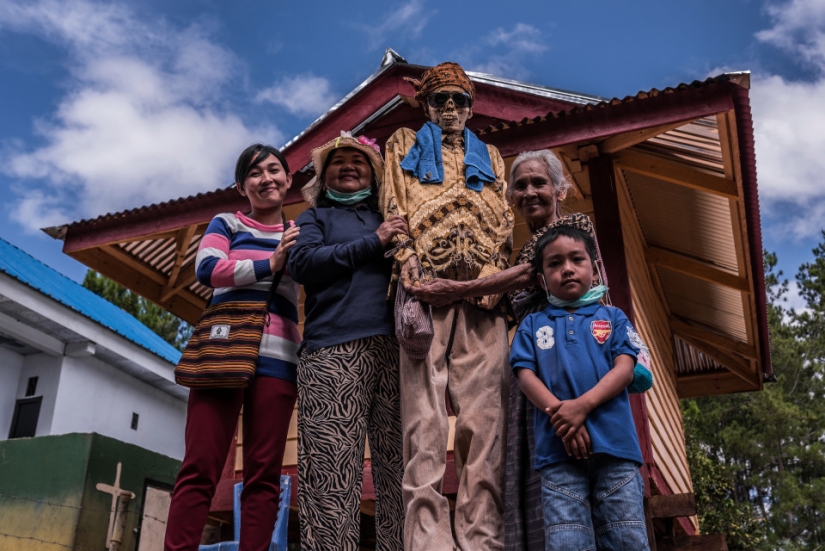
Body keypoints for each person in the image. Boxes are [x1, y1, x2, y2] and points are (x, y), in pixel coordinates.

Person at [411, 149, 580, 550]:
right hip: (535, 370)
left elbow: (530, 271)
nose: (529, 192)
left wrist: (458, 288)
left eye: (539, 182)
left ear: (560, 189)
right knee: (536, 474)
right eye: (519, 186)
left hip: (576, 360)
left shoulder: (573, 228)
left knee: (576, 470)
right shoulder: (516, 251)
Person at [381, 61, 514, 550]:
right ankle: (427, 540)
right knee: (424, 420)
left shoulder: (492, 155)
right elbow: (394, 209)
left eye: (460, 100)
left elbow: (505, 220)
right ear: (427, 106)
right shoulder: (405, 145)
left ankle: (483, 539)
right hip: (425, 295)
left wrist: (493, 279)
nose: (451, 109)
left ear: (471, 106)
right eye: (441, 101)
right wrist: (410, 266)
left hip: (483, 296)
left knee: (486, 422)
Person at [164, 144, 301, 551]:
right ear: (243, 187)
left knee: (264, 474)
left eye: (274, 170)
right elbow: (208, 269)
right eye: (255, 173)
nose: (266, 179)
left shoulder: (300, 235)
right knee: (199, 467)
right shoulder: (226, 223)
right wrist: (268, 265)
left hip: (279, 360)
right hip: (221, 353)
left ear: (288, 179)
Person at [288, 131, 407, 551]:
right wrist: (374, 243)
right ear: (323, 178)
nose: (348, 166)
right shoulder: (313, 219)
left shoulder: (391, 216)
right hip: (331, 352)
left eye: (358, 161)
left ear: (374, 176)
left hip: (397, 350)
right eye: (338, 162)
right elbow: (303, 263)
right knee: (330, 471)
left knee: (401, 469)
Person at [509, 217, 649, 550]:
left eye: (577, 259)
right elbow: (525, 375)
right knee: (567, 540)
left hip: (616, 449)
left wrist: (580, 408)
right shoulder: (532, 325)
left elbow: (625, 368)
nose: (567, 269)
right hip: (558, 453)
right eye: (555, 264)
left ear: (595, 270)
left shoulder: (612, 317)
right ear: (543, 281)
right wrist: (561, 416)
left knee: (626, 536)